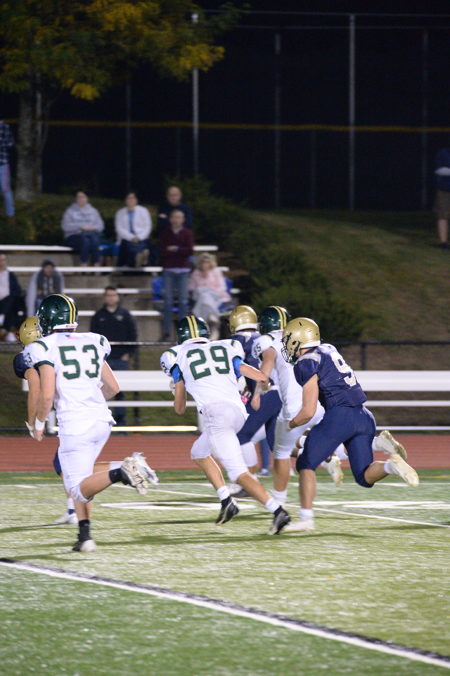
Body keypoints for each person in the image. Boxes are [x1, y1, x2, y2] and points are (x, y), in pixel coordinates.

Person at [26, 293, 158, 552]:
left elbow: (47, 394)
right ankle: (85, 536)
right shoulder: (93, 340)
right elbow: (113, 387)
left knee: (77, 489)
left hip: (76, 423)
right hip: (101, 420)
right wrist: (89, 400)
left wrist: (39, 423)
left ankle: (122, 470)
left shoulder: (43, 346)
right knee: (83, 480)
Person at [281, 317, 419, 532]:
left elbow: (308, 411)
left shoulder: (306, 362)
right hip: (364, 416)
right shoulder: (328, 349)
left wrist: (289, 425)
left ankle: (306, 518)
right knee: (364, 477)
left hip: (340, 416)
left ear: (297, 339)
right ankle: (391, 466)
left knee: (305, 464)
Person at [169, 314, 291, 535]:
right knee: (199, 452)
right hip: (238, 412)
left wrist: (178, 386)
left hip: (217, 415)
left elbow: (179, 409)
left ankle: (277, 510)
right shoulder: (225, 347)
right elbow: (260, 376)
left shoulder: (177, 356)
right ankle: (226, 501)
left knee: (238, 473)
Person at [252, 306, 345, 509]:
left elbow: (267, 362)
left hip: (294, 405)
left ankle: (279, 499)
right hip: (320, 402)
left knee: (280, 450)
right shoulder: (303, 338)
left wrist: (258, 390)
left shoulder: (267, 341)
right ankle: (373, 447)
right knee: (312, 442)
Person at [229, 305, 282, 488]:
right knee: (276, 444)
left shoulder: (234, 342)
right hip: (278, 394)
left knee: (241, 436)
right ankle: (327, 454)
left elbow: (237, 370)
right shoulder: (264, 338)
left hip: (263, 392)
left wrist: (253, 393)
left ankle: (249, 481)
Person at [90, 286, 137, 427]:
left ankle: (121, 423)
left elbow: (133, 335)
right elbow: (93, 338)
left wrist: (128, 354)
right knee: (101, 391)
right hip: (104, 361)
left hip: (121, 359)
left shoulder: (125, 314)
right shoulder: (98, 316)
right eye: (108, 295)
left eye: (113, 295)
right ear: (104, 297)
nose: (111, 298)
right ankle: (101, 422)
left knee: (119, 391)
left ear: (117, 297)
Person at [159, 209, 194, 341]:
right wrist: (178, 251)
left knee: (183, 302)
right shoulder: (165, 233)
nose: (176, 219)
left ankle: (183, 333)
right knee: (167, 301)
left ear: (183, 219)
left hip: (183, 270)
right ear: (170, 219)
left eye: (179, 217)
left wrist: (176, 249)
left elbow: (189, 250)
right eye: (174, 217)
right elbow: (162, 251)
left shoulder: (187, 233)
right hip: (169, 269)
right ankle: (166, 332)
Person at [188, 253, 231, 340]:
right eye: (203, 262)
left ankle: (204, 325)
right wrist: (203, 289)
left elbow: (222, 287)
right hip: (200, 296)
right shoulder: (196, 273)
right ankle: (212, 319)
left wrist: (209, 290)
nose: (205, 264)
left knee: (206, 296)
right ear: (199, 263)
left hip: (215, 296)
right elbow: (191, 288)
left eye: (207, 262)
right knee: (204, 295)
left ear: (211, 263)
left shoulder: (216, 272)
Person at [61, 190, 104, 265]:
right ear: (75, 199)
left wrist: (93, 227)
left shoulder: (93, 211)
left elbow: (101, 225)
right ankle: (83, 263)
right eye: (79, 197)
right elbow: (65, 226)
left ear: (87, 198)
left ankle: (96, 263)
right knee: (85, 241)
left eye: (83, 197)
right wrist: (80, 227)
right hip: (74, 236)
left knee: (94, 240)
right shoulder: (70, 211)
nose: (81, 199)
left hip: (91, 235)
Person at [115, 191, 154, 267]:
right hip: (127, 239)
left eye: (133, 198)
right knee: (129, 245)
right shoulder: (119, 213)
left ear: (136, 200)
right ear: (125, 200)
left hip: (141, 238)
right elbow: (119, 228)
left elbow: (148, 226)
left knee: (144, 244)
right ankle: (140, 257)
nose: (131, 200)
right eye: (129, 198)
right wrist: (132, 237)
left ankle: (139, 258)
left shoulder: (144, 211)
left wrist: (139, 237)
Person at [0, 250, 22, 342]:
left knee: (11, 301)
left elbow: (17, 290)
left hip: (8, 302)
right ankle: (7, 330)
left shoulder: (10, 275)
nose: (1, 262)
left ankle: (2, 319)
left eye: (3, 260)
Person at [434, 147, 450, 250]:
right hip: (445, 189)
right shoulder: (444, 153)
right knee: (443, 215)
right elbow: (439, 170)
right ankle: (443, 242)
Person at [0, 120, 15, 218]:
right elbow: (10, 143)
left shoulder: (4, 126)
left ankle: (10, 216)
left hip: (3, 164)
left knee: (6, 190)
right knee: (6, 190)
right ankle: (10, 216)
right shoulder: (4, 126)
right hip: (3, 163)